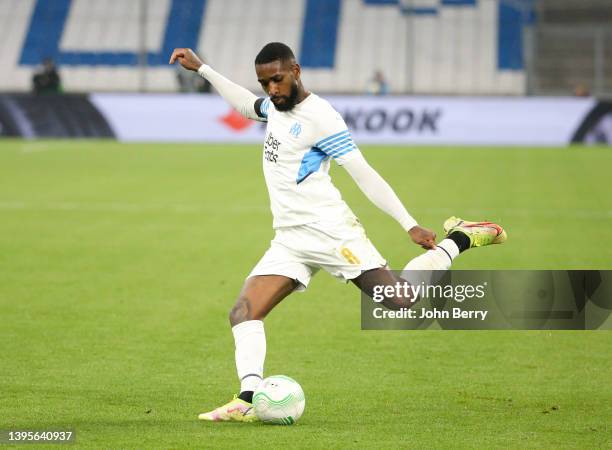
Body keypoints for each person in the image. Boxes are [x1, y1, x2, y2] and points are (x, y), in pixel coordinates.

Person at [169, 43, 507, 422]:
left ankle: (459, 238)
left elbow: (363, 173)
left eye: (277, 80)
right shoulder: (276, 108)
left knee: (400, 300)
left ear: (295, 70)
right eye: (265, 83)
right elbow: (248, 106)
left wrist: (408, 222)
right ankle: (247, 401)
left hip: (332, 234)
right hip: (290, 239)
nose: (272, 90)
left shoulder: (321, 117)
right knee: (243, 313)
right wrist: (203, 70)